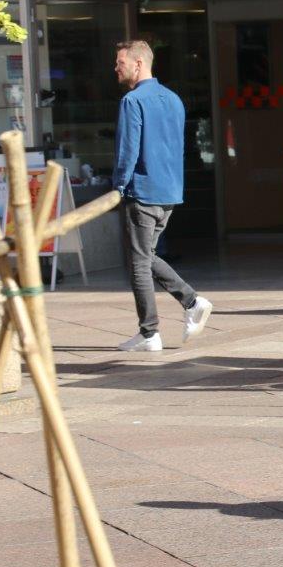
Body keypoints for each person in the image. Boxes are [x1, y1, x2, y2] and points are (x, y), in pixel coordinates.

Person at [112, 40, 212, 352]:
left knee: (139, 263)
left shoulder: (132, 101)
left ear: (138, 64)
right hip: (169, 191)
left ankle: (150, 332)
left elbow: (128, 150)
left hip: (142, 190)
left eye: (121, 63)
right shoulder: (173, 99)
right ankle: (191, 302)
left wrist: (118, 186)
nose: (116, 68)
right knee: (147, 256)